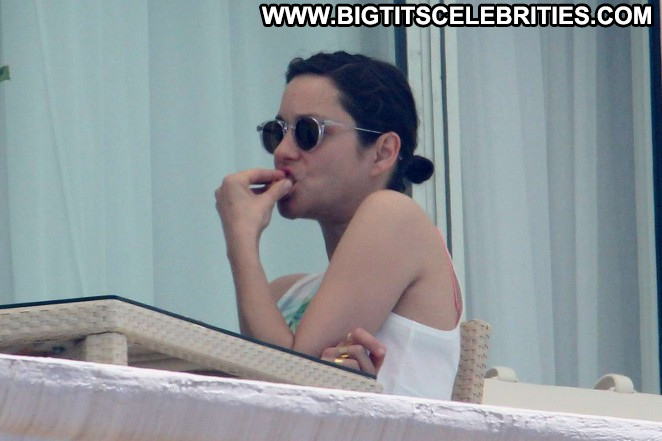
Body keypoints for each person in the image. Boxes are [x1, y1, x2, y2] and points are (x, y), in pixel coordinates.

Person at [215, 51, 462, 400]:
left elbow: (288, 389)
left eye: (308, 132)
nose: (283, 150)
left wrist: (241, 239)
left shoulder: (396, 214)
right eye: (276, 132)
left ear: (383, 152)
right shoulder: (283, 294)